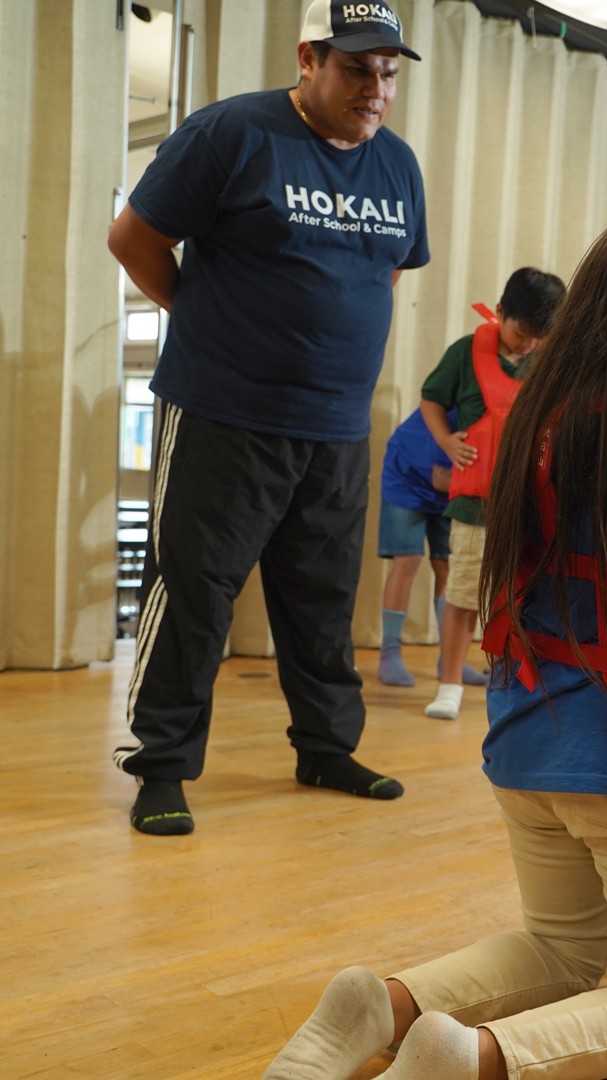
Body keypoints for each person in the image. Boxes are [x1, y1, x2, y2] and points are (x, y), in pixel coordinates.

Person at [262, 212, 607, 1080]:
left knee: (560, 948)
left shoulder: (534, 410)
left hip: (524, 738)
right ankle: (475, 1059)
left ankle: (387, 1003)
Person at [106, 0, 428, 835]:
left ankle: (326, 748)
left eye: (388, 72)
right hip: (224, 409)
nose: (376, 88)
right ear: (308, 59)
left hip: (336, 425)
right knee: (195, 591)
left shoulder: (398, 166)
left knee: (321, 598)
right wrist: (208, 324)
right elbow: (133, 238)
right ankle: (163, 766)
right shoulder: (233, 133)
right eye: (357, 68)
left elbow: (382, 273)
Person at [419, 268, 566, 721]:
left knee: (522, 599)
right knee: (463, 595)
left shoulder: (549, 359)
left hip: (530, 507)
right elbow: (431, 399)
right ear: (501, 312)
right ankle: (449, 685)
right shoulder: (465, 352)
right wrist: (446, 441)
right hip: (474, 505)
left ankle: (510, 681)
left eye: (538, 337)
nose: (527, 345)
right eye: (522, 332)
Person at [377, 406, 487, 687]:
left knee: (447, 566)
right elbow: (441, 477)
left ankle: (450, 661)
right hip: (407, 479)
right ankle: (389, 654)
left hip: (451, 488)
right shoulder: (455, 410)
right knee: (408, 560)